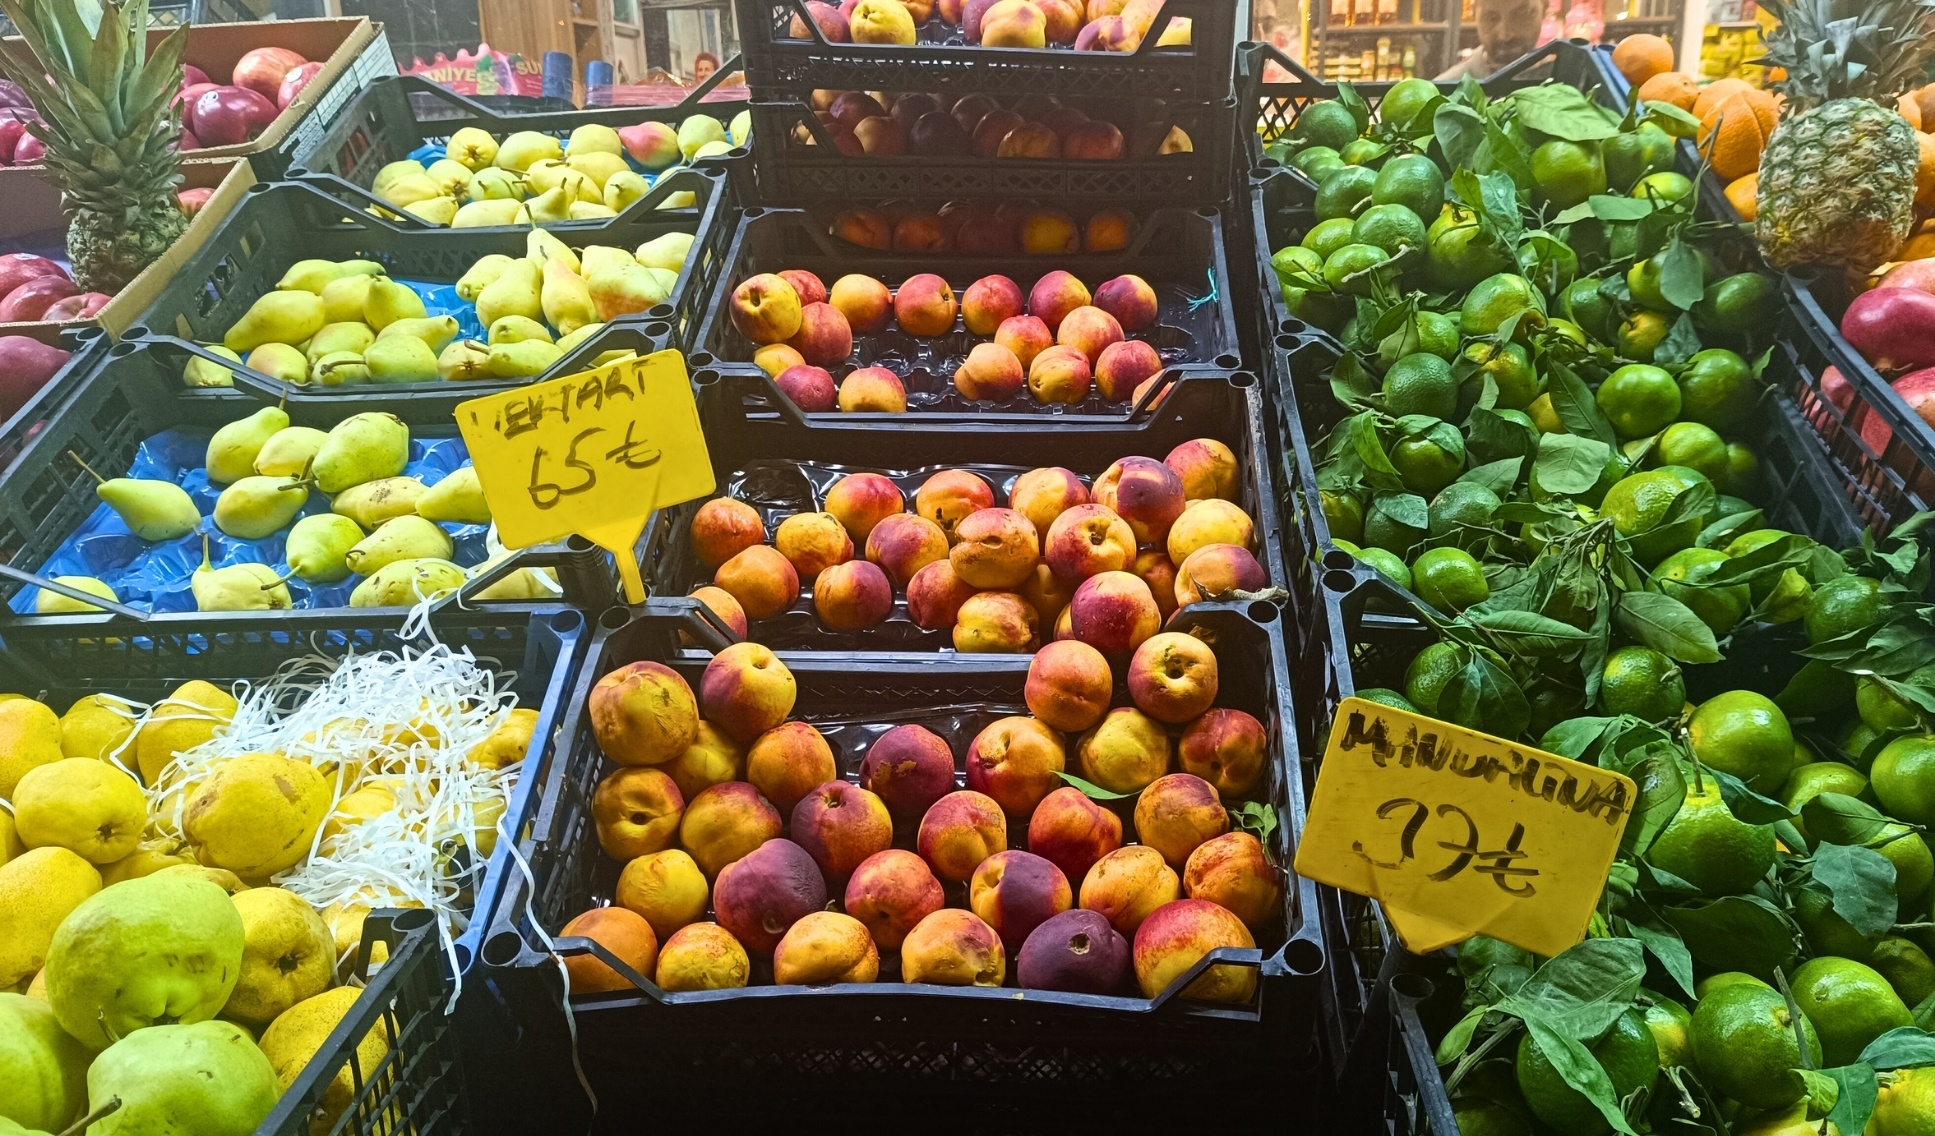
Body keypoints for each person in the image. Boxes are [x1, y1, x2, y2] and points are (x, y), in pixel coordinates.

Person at [1437, 0, 1546, 79]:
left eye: (1522, 15)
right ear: (1474, 12)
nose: (1505, 35)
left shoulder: (1562, 83)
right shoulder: (1445, 95)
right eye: (1491, 18)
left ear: (1545, 7)